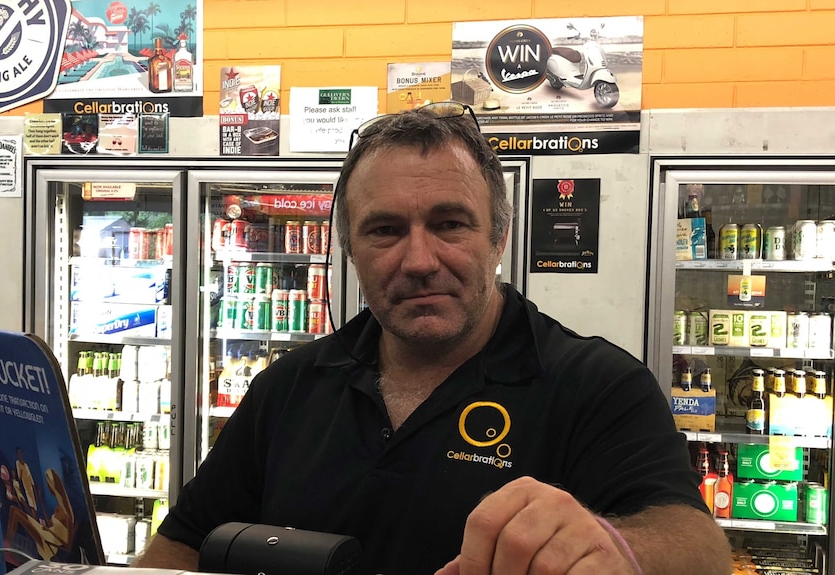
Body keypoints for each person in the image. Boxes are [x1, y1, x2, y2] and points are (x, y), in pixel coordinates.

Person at [135, 103, 732, 574]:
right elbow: (181, 548)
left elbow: (700, 549)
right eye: (385, 230)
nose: (419, 260)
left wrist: (614, 547)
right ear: (350, 252)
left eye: (449, 224)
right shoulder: (287, 389)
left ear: (498, 239)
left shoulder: (596, 386)